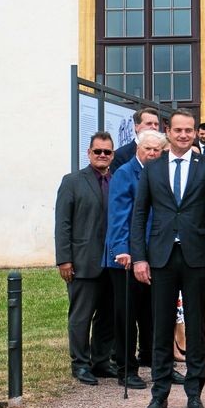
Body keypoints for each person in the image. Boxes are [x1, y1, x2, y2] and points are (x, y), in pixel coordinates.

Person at [131, 109, 205, 408]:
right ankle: (159, 393)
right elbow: (140, 214)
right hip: (160, 256)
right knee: (160, 327)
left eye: (189, 130)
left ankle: (194, 392)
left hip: (197, 256)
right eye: (179, 130)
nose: (184, 135)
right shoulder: (153, 167)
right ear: (168, 132)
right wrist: (139, 258)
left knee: (197, 326)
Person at [105, 129, 168, 390]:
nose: (152, 153)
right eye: (148, 149)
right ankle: (126, 369)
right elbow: (119, 215)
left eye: (157, 150)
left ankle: (156, 366)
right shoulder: (124, 174)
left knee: (151, 315)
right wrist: (122, 249)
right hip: (127, 258)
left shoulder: (160, 173)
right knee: (127, 316)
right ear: (138, 149)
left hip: (154, 256)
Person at [54, 131, 117, 386]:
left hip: (111, 263)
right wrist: (64, 260)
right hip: (82, 261)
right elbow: (63, 224)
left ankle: (101, 361)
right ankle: (80, 363)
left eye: (107, 152)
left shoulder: (117, 180)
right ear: (89, 153)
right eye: (98, 151)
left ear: (112, 155)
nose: (102, 155)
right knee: (81, 316)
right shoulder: (72, 181)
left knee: (108, 315)